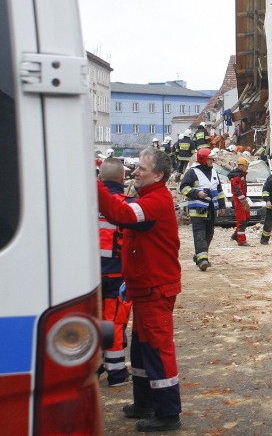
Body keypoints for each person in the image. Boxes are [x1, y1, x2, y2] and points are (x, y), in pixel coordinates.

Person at [96, 148, 182, 432]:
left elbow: (117, 212)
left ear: (158, 175)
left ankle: (168, 413)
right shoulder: (147, 199)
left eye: (141, 169)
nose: (135, 172)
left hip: (155, 289)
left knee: (157, 349)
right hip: (144, 289)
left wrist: (92, 181)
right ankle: (144, 402)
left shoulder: (155, 202)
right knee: (143, 350)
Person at [98, 158, 133, 387]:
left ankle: (95, 365)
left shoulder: (87, 205)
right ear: (122, 179)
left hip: (88, 278)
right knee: (115, 323)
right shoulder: (127, 205)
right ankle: (117, 373)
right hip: (116, 275)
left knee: (93, 321)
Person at [179, 147, 225, 270]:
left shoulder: (214, 172)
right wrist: (196, 193)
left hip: (211, 208)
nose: (212, 160)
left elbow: (219, 191)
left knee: (209, 234)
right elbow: (183, 188)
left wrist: (222, 205)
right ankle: (203, 260)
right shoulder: (192, 172)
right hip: (197, 209)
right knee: (200, 234)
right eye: (210, 158)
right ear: (203, 159)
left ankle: (199, 255)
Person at [228, 156, 252, 246]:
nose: (247, 168)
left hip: (242, 200)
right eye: (246, 166)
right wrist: (244, 201)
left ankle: (235, 235)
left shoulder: (241, 175)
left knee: (247, 218)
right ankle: (241, 240)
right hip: (239, 201)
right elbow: (237, 190)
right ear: (241, 166)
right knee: (241, 220)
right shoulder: (236, 176)